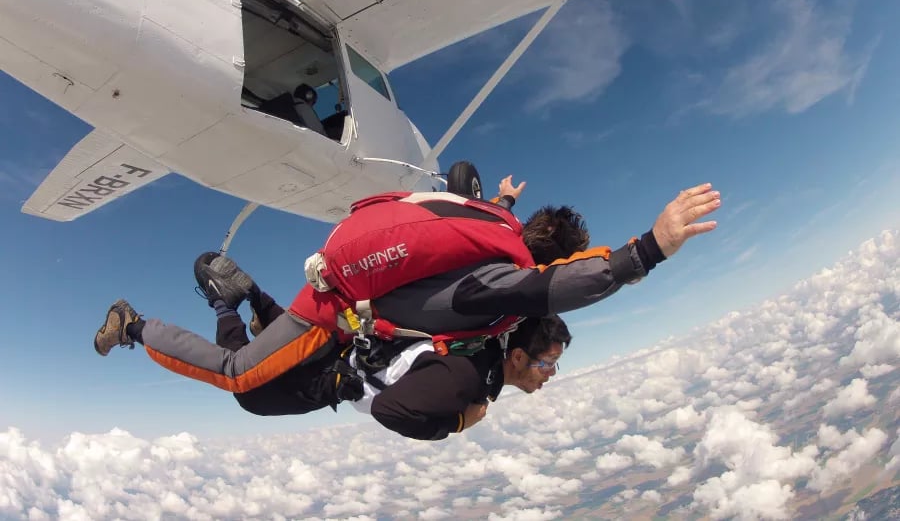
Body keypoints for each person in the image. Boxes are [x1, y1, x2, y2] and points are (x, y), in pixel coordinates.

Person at [94, 181, 718, 431]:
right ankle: (135, 324)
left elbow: (450, 195)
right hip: (328, 316)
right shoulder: (498, 279)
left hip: (337, 307)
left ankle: (240, 298)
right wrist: (648, 251)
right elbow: (553, 288)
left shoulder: (491, 224)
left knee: (263, 378)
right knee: (240, 378)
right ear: (548, 256)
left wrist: (499, 193)